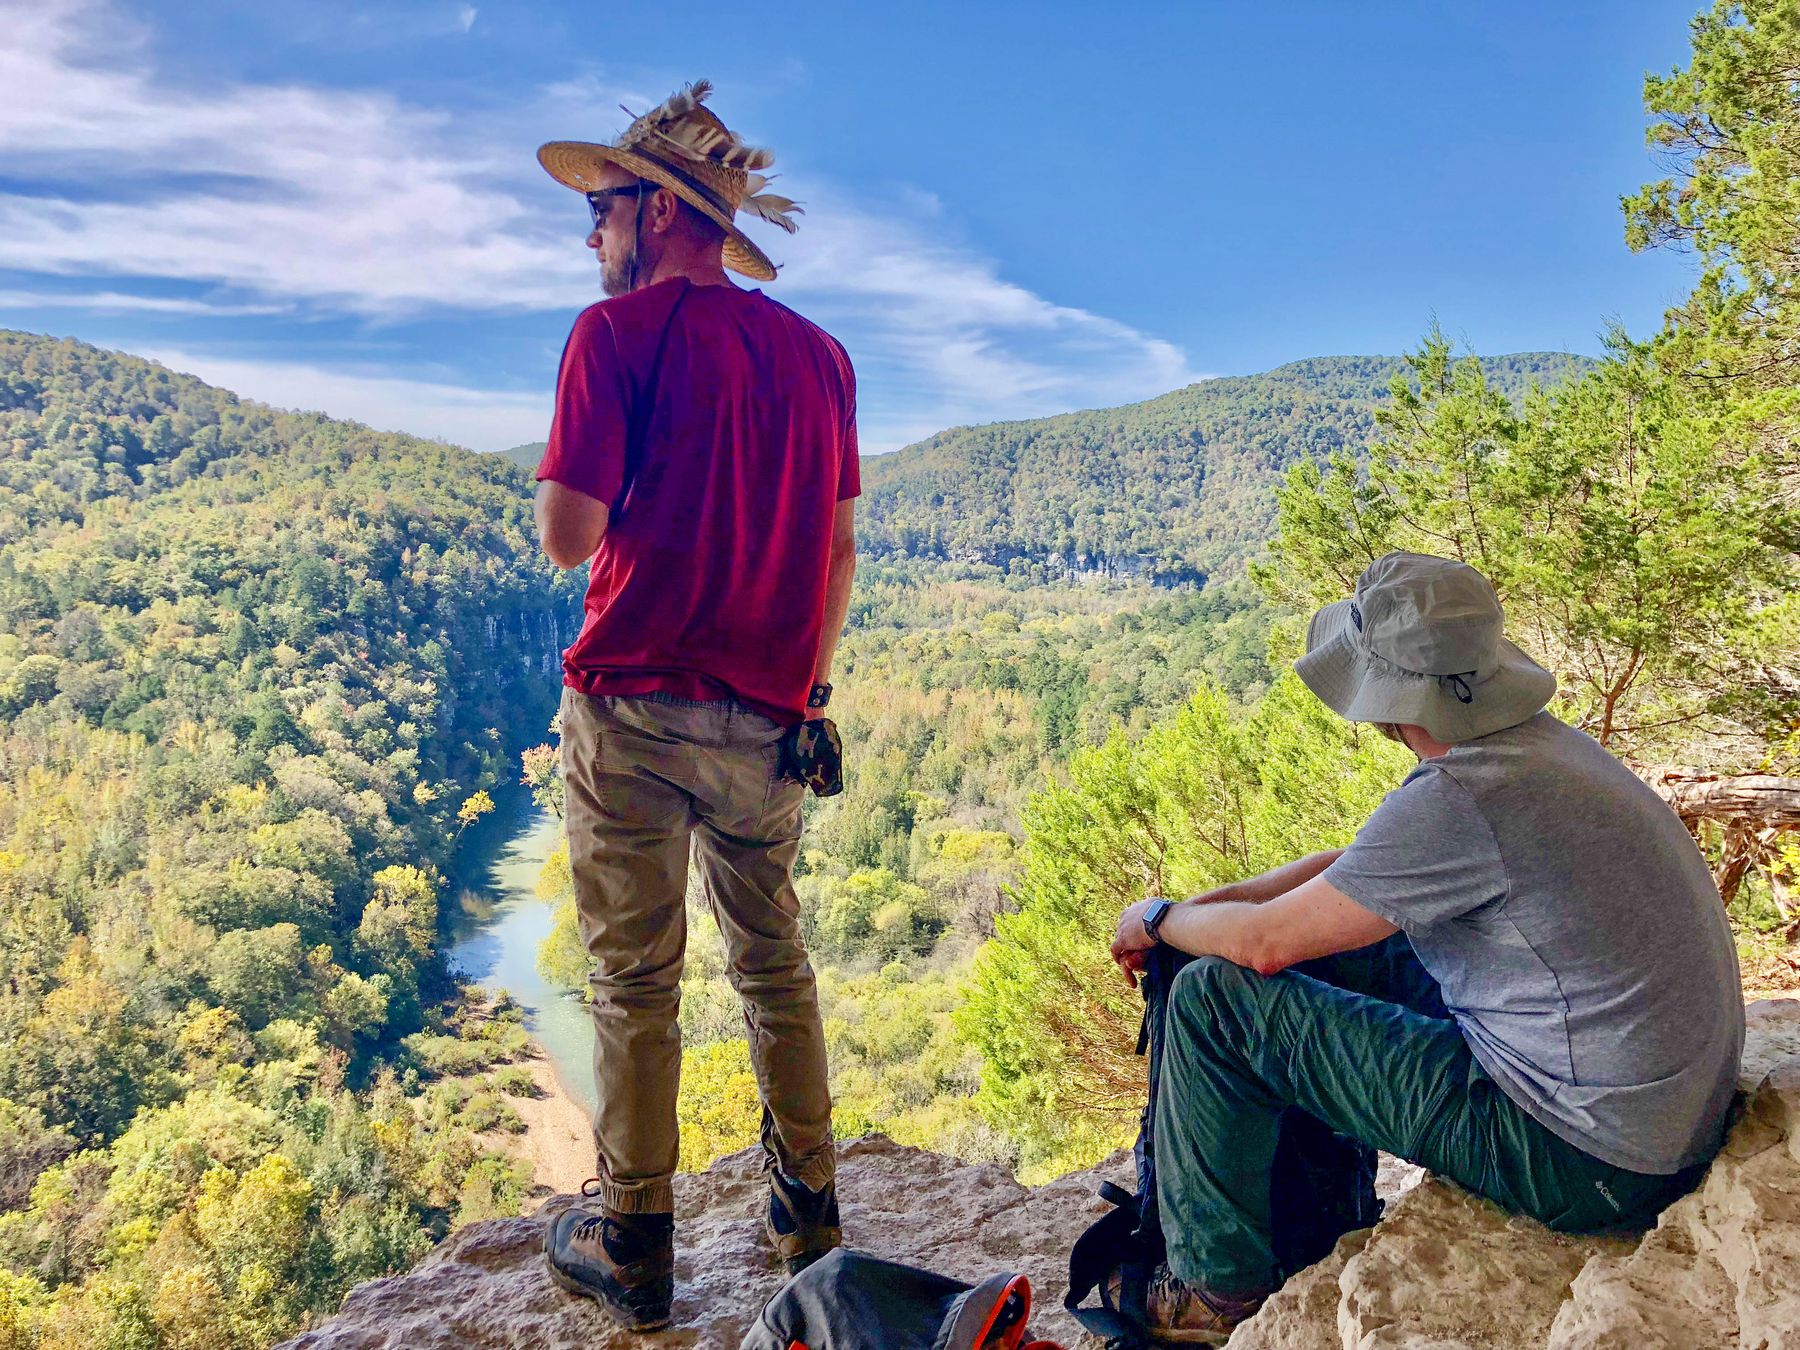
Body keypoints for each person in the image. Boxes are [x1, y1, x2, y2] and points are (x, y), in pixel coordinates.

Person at [1106, 551, 1744, 1343]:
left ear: (1382, 695)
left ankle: (1214, 1292)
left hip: (1585, 1158)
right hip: (1645, 1111)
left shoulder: (1463, 796)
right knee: (1277, 952)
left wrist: (1162, 919)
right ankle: (1296, 1200)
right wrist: (1194, 912)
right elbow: (1350, 870)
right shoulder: (1528, 749)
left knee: (1214, 1003)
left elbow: (1268, 947)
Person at [530, 81, 858, 1332]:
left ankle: (637, 1247)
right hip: (773, 721)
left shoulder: (609, 338)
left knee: (634, 985)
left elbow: (570, 538)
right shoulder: (818, 356)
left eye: (603, 209)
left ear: (660, 214)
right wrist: (807, 689)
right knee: (776, 966)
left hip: (632, 710)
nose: (590, 235)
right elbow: (835, 555)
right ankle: (810, 1213)